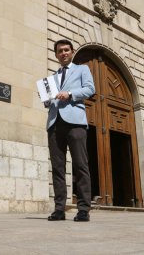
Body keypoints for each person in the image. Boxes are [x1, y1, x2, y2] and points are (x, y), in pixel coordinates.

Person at [45, 39, 95, 222]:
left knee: (80, 165)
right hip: (54, 122)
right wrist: (46, 99)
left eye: (66, 50)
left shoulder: (82, 69)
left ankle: (83, 209)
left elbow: (90, 89)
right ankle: (59, 209)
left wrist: (71, 94)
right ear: (56, 54)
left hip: (75, 122)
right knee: (57, 168)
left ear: (72, 52)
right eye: (60, 51)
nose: (63, 53)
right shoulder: (51, 78)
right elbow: (49, 101)